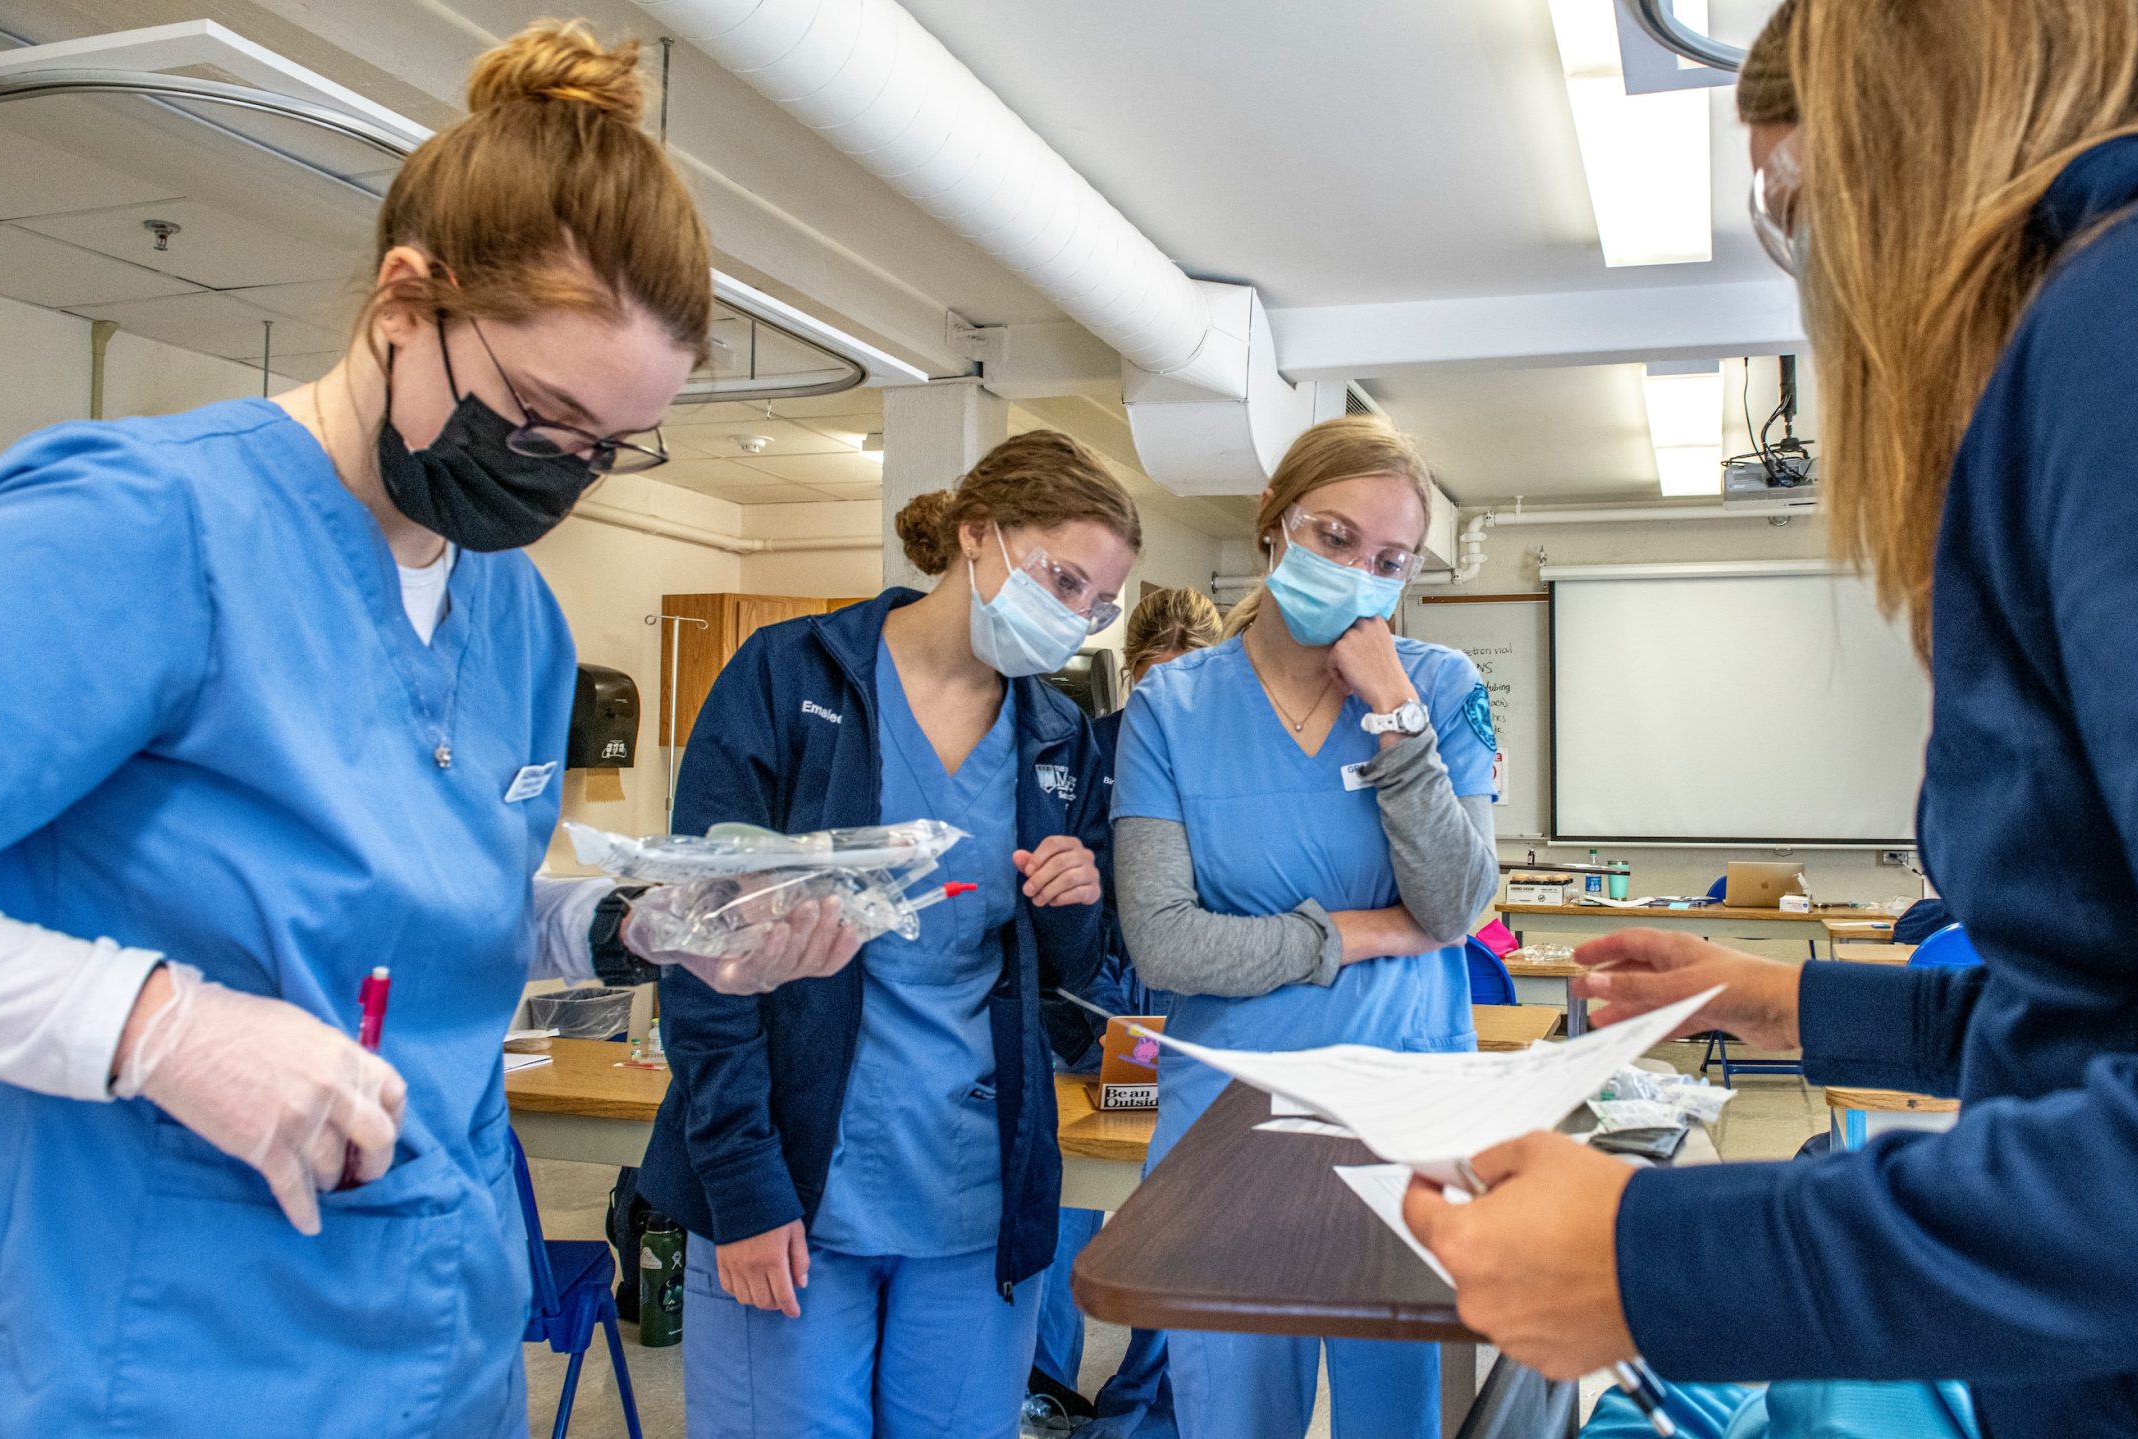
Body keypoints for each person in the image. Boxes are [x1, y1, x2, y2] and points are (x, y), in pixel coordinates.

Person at [1404, 1, 2138, 1434]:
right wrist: (1791, 999)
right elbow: (2131, 1016)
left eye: (1798, 204)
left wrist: (1661, 1257)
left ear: (1898, 142)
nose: (1817, 270)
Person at [0, 23, 863, 1436]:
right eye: (542, 415)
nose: (561, 474)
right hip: (154, 1352)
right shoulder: (144, 528)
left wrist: (639, 923)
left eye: (606, 449)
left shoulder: (518, 620)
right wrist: (156, 1022)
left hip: (433, 1338)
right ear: (405, 302)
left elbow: (440, 905)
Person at [641, 430, 1139, 1439]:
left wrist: (1078, 902)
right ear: (976, 535)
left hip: (972, 1190)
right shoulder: (792, 679)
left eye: (1099, 604)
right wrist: (740, 1182)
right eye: (1064, 580)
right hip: (793, 1182)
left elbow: (1072, 990)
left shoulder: (1056, 736)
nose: (1077, 617)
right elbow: (702, 944)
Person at [1114, 416, 1501, 1439]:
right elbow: (1164, 942)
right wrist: (1355, 933)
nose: (1359, 575)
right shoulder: (1171, 706)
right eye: (1334, 539)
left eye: (1388, 560)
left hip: (1400, 1117)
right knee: (1231, 1414)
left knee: (1393, 1414)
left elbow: (1458, 906)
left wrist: (1395, 716)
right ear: (1273, 527)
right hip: (1224, 1131)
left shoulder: (1443, 686)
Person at [1033, 585, 1222, 1437]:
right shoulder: (1084, 753)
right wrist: (1114, 1034)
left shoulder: (1225, 766)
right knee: (1067, 1195)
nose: (1170, 703)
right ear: (1130, 674)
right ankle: (1044, 1388)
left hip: (1188, 1019)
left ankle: (1145, 1398)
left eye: (1191, 682)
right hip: (1094, 1017)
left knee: (1175, 1210)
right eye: (1154, 683)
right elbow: (1070, 906)